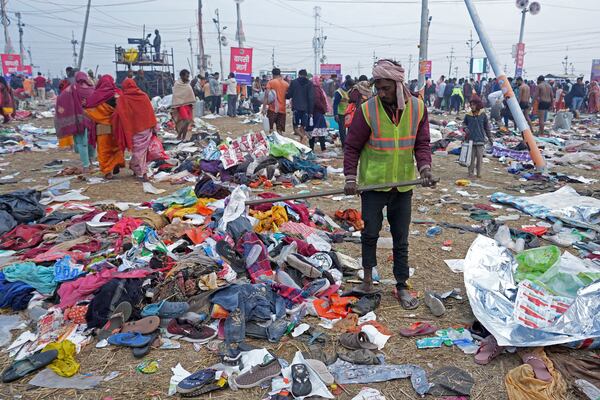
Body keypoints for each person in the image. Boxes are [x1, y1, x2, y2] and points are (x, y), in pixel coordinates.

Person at [344, 59, 434, 309]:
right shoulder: (368, 110)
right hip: (373, 184)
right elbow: (352, 146)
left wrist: (425, 167)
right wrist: (350, 177)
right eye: (378, 88)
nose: (380, 93)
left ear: (397, 84)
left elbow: (422, 143)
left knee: (400, 238)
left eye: (385, 88)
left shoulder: (417, 108)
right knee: (369, 233)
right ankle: (368, 282)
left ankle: (401, 285)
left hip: (403, 185)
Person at [112, 78, 157, 181]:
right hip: (145, 128)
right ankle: (140, 170)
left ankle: (141, 170)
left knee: (138, 151)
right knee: (141, 151)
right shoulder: (144, 96)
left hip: (133, 130)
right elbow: (150, 112)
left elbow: (119, 115)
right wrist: (154, 127)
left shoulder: (123, 99)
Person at [84, 75, 125, 180]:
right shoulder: (118, 93)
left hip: (102, 127)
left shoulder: (95, 96)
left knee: (104, 150)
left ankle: (107, 171)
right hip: (116, 126)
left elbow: (87, 110)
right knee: (116, 147)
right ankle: (115, 163)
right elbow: (124, 109)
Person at [55, 72, 97, 173]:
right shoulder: (92, 88)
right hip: (92, 119)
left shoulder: (73, 88)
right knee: (91, 141)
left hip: (79, 120)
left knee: (81, 142)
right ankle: (91, 162)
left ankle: (86, 165)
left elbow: (61, 98)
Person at [463, 95, 493, 178]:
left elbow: (487, 127)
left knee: (479, 159)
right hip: (470, 139)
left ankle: (478, 173)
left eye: (473, 105)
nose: (472, 106)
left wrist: (490, 138)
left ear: (478, 105)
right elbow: (464, 123)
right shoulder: (468, 115)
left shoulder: (482, 114)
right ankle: (470, 173)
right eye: (471, 105)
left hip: (480, 139)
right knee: (471, 158)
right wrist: (465, 128)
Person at [286, 69, 314, 144]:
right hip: (306, 109)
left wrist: (285, 95)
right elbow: (311, 98)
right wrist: (311, 111)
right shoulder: (310, 83)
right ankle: (302, 144)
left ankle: (304, 137)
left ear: (299, 74)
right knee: (302, 127)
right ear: (306, 75)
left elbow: (289, 95)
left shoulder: (294, 82)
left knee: (295, 128)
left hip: (296, 108)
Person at [171, 69, 196, 140]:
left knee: (187, 123)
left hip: (188, 105)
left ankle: (183, 137)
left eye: (188, 76)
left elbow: (190, 94)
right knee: (186, 121)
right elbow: (176, 95)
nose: (187, 78)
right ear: (182, 76)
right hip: (181, 105)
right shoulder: (177, 84)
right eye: (186, 76)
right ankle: (179, 135)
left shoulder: (187, 84)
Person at [263, 67, 289, 132]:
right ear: (279, 74)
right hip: (282, 109)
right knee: (279, 130)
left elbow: (266, 96)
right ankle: (280, 141)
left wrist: (264, 108)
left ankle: (272, 141)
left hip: (272, 109)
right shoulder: (286, 84)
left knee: (270, 128)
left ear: (273, 74)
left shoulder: (271, 82)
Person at [307, 75, 328, 152]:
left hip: (313, 112)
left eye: (322, 80)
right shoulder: (316, 89)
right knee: (319, 131)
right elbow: (317, 101)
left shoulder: (314, 88)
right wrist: (323, 109)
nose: (321, 82)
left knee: (314, 130)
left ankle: (312, 148)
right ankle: (322, 147)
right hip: (317, 112)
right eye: (320, 80)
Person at [333, 75, 354, 146]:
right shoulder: (339, 92)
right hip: (341, 114)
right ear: (347, 85)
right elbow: (335, 104)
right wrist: (335, 114)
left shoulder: (351, 91)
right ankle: (344, 146)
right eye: (350, 87)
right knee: (342, 130)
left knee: (350, 129)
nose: (350, 89)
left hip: (349, 113)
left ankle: (349, 144)